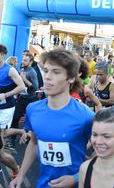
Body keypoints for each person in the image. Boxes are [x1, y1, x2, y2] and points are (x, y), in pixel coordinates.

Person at [9, 48, 95, 188]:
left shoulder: (86, 116)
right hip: (43, 184)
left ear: (71, 78)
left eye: (56, 72)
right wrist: (21, 175)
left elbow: (107, 152)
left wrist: (76, 177)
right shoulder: (33, 109)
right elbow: (34, 143)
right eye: (46, 70)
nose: (47, 77)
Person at [0, 44, 25, 178]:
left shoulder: (10, 70)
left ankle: (16, 168)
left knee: (1, 146)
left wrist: (5, 95)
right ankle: (20, 131)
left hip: (5, 108)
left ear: (3, 55)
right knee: (2, 135)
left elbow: (21, 86)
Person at [8, 52, 39, 150]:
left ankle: (30, 141)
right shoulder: (22, 69)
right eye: (23, 60)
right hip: (22, 99)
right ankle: (11, 141)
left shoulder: (32, 72)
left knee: (31, 121)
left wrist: (24, 79)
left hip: (31, 100)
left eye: (25, 60)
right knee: (15, 118)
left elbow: (35, 88)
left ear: (30, 62)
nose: (23, 61)